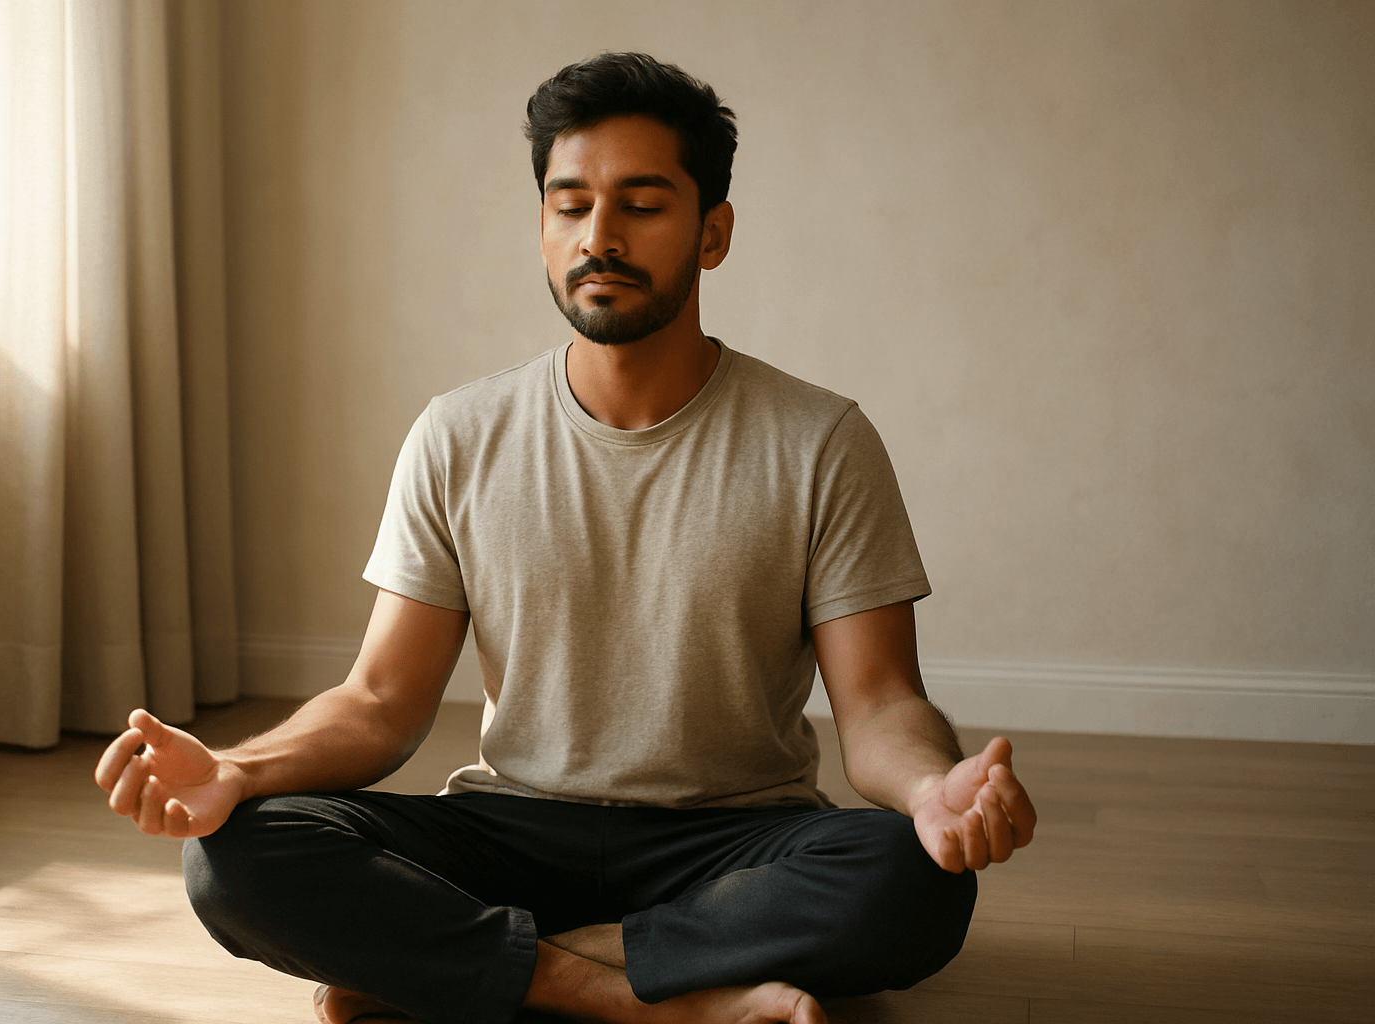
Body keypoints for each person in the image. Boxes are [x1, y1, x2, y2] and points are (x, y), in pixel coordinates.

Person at [95, 52, 1036, 1024]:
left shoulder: (821, 441)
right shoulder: (458, 435)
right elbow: (380, 702)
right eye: (570, 203)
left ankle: (474, 962)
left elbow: (879, 704)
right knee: (237, 854)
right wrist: (235, 771)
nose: (601, 236)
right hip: (510, 829)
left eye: (642, 203)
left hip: (729, 839)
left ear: (712, 232)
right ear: (542, 228)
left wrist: (933, 787)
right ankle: (638, 993)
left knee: (911, 876)